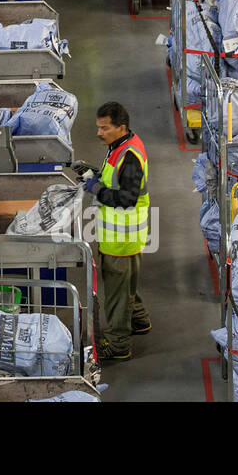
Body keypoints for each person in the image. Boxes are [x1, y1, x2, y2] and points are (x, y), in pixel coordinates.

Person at [75, 101, 151, 361]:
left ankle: (119, 345)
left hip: (121, 236)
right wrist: (94, 175)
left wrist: (95, 189)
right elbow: (114, 180)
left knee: (116, 293)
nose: (99, 133)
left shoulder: (129, 156)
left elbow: (127, 198)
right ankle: (140, 321)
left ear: (121, 127)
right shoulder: (119, 146)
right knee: (126, 282)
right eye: (98, 127)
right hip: (123, 235)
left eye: (104, 128)